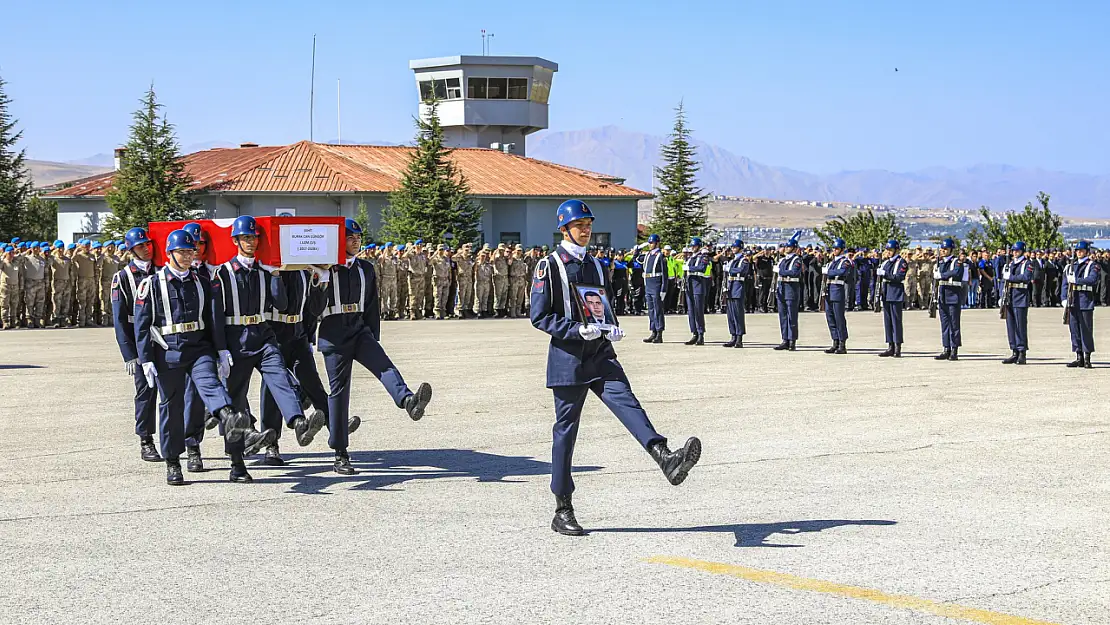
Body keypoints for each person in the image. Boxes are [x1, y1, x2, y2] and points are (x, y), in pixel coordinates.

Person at [531, 199, 701, 536]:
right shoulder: (549, 266)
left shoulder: (596, 264)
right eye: (580, 225)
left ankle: (665, 457)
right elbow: (539, 315)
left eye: (588, 223)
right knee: (566, 432)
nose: (586, 229)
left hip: (600, 352)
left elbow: (600, 303)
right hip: (569, 357)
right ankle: (562, 506)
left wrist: (611, 326)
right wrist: (574, 329)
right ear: (564, 228)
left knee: (628, 403)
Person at [134, 229, 275, 485]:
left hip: (199, 347)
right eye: (182, 252)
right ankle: (173, 462)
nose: (188, 256)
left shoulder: (202, 281)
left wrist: (221, 350)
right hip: (168, 351)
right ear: (169, 254)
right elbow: (142, 326)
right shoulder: (152, 284)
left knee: (210, 383)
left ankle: (229, 418)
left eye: (191, 252)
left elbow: (213, 318)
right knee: (171, 408)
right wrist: (145, 360)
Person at [310, 218, 433, 475]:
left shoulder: (365, 268)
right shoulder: (326, 268)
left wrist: (372, 336)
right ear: (338, 241)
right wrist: (319, 279)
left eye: (358, 238)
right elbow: (313, 309)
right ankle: (340, 452)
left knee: (384, 366)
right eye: (350, 238)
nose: (356, 242)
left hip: (359, 329)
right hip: (334, 333)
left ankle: (408, 401)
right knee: (339, 393)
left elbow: (372, 303)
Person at [212, 215, 327, 466]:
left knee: (280, 379)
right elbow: (215, 317)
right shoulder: (222, 274)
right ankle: (236, 461)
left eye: (254, 237)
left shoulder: (265, 272)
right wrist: (219, 350)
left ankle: (298, 422)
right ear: (236, 241)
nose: (251, 242)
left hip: (262, 335)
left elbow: (282, 304)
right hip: (235, 340)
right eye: (246, 238)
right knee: (236, 398)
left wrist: (275, 275)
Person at [110, 227, 163, 462]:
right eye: (141, 245)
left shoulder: (161, 270)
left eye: (148, 244)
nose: (147, 248)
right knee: (145, 392)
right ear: (131, 250)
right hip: (139, 339)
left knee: (174, 391)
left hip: (164, 338)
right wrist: (129, 354)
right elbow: (120, 319)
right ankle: (146, 440)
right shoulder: (122, 277)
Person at [1064, 240, 1099, 369]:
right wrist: (1063, 298)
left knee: (1086, 330)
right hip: (1073, 301)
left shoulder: (1092, 265)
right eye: (1077, 251)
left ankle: (1087, 357)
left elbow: (1092, 279)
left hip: (1085, 301)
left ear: (1086, 252)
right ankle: (1078, 356)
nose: (1079, 253)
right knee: (1074, 330)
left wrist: (1077, 281)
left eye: (1082, 251)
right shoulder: (1070, 266)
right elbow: (1064, 284)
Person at [1001, 241, 1034, 365]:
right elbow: (1003, 281)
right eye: (1013, 251)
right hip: (1009, 297)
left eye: (1017, 251)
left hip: (1020, 297)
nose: (1015, 252)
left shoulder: (1027, 263)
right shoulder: (1010, 263)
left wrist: (1011, 277)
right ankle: (1014, 351)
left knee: (1020, 326)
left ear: (1022, 251)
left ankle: (1022, 352)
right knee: (1011, 326)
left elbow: (1026, 278)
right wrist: (1001, 295)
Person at [877, 239, 908, 358]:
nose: (888, 252)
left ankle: (897, 347)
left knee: (896, 321)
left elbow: (899, 277)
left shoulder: (902, 262)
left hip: (895, 294)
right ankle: (890, 346)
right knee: (888, 321)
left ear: (896, 250)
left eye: (890, 250)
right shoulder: (885, 262)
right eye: (887, 250)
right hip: (886, 293)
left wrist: (885, 274)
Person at [933, 238, 964, 361]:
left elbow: (956, 272)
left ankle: (954, 349)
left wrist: (942, 275)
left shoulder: (957, 262)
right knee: (945, 324)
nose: (943, 251)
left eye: (945, 249)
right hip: (943, 297)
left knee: (954, 324)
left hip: (953, 297)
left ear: (951, 249)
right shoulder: (940, 263)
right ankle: (946, 348)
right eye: (942, 249)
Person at [773, 237, 804, 350]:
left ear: (795, 248)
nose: (786, 248)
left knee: (792, 316)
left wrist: (782, 271)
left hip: (791, 289)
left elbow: (794, 273)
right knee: (783, 316)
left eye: (789, 247)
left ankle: (792, 340)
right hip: (782, 288)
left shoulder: (797, 260)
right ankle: (785, 339)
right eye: (786, 246)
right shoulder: (783, 260)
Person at [822, 238, 852, 354]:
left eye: (837, 248)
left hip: (838, 291)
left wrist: (828, 272)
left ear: (842, 250)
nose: (834, 250)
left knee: (839, 318)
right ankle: (835, 341)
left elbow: (842, 272)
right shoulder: (830, 262)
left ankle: (842, 343)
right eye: (834, 248)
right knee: (830, 318)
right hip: (829, 291)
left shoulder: (845, 261)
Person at [638, 234, 668, 343]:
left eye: (652, 243)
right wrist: (639, 247)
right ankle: (653, 331)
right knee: (650, 309)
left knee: (658, 309)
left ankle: (659, 333)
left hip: (656, 284)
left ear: (657, 243)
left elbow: (665, 274)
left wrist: (663, 289)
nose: (650, 245)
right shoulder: (648, 255)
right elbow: (636, 258)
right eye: (649, 243)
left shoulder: (660, 256)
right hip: (648, 284)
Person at [682, 237, 711, 345]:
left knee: (698, 311)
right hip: (689, 285)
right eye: (691, 246)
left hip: (698, 284)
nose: (692, 248)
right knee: (691, 311)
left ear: (698, 246)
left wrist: (689, 268)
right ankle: (694, 333)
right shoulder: (690, 258)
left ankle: (700, 334)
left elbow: (702, 268)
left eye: (694, 246)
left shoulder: (703, 256)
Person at [722, 239, 749, 348]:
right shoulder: (732, 260)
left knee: (738, 314)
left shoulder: (744, 260)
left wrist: (730, 269)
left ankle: (739, 338)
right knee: (731, 315)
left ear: (740, 248)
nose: (733, 249)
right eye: (732, 247)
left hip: (738, 287)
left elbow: (742, 270)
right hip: (730, 287)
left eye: (735, 247)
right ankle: (733, 336)